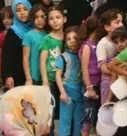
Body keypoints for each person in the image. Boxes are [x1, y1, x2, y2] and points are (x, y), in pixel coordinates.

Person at [39, 5, 66, 136]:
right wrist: (45, 81)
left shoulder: (68, 37)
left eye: (58, 17)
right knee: (50, 112)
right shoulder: (47, 39)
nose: (55, 21)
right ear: (48, 22)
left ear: (64, 19)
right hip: (50, 80)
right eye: (51, 18)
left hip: (65, 80)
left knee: (64, 112)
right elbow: (43, 60)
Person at [55, 26, 84, 136]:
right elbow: (58, 75)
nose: (72, 41)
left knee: (78, 122)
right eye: (69, 39)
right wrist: (62, 92)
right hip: (67, 93)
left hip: (80, 94)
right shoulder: (63, 57)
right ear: (65, 41)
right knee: (65, 121)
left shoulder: (82, 55)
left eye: (75, 38)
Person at [78, 15, 102, 136]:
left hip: (99, 84)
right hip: (90, 85)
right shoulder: (87, 46)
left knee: (96, 116)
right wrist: (89, 88)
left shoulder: (97, 44)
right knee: (88, 116)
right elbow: (85, 69)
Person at [2, 0, 32, 89]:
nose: (22, 13)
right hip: (17, 75)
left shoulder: (35, 28)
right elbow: (7, 55)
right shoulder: (12, 31)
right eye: (18, 10)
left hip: (33, 73)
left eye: (25, 9)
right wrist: (8, 76)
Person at [96, 9, 124, 105]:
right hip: (108, 82)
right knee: (107, 105)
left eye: (122, 22)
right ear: (107, 27)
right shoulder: (103, 44)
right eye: (117, 22)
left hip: (122, 81)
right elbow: (103, 68)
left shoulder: (124, 41)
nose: (121, 25)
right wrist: (117, 71)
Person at [22, 4, 48, 86]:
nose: (39, 20)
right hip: (34, 78)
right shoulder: (28, 35)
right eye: (36, 17)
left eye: (42, 16)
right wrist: (28, 78)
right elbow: (25, 58)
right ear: (32, 18)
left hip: (48, 77)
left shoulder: (49, 35)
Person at [0, 6, 13, 78]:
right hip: (5, 70)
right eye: (4, 18)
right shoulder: (2, 36)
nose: (6, 21)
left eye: (9, 18)